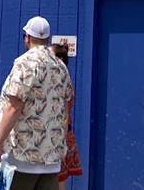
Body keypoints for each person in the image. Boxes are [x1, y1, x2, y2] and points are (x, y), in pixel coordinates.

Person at [0, 16, 73, 190]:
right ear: (47, 39)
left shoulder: (24, 64)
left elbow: (14, 107)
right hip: (51, 159)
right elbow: (65, 110)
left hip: (23, 158)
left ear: (27, 37)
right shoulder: (60, 67)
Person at [51, 44, 82, 188]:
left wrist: (59, 142)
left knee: (59, 179)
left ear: (60, 60)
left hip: (59, 136)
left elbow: (64, 115)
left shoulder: (62, 82)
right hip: (56, 136)